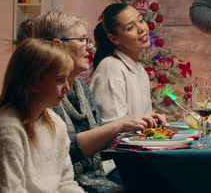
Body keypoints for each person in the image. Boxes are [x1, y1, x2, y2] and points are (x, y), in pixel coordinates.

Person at [34, 10, 156, 192]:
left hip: (95, 178)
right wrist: (118, 126)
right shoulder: (43, 92)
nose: (89, 47)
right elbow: (60, 152)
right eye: (82, 40)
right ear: (58, 45)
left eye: (88, 40)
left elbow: (99, 145)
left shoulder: (81, 88)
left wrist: (137, 127)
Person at [0, 39, 84, 192]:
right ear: (33, 82)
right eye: (60, 80)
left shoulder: (56, 123)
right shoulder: (5, 131)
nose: (67, 88)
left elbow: (65, 183)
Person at [89, 3, 165, 125]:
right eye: (130, 27)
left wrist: (149, 119)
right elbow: (112, 127)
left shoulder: (140, 69)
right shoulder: (111, 67)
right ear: (114, 39)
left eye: (141, 20)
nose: (141, 29)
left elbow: (131, 121)